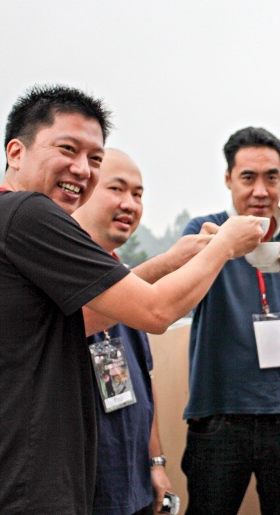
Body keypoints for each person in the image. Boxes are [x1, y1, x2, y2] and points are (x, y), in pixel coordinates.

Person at [0, 85, 263, 513]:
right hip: (11, 492)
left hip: (4, 486)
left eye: (95, 158)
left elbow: (85, 316)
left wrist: (171, 260)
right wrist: (227, 245)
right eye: (68, 149)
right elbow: (155, 311)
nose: (82, 169)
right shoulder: (26, 212)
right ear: (16, 152)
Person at [180, 127, 280, 515]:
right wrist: (223, 246)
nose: (261, 191)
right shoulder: (204, 233)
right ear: (228, 179)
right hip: (218, 417)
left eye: (271, 177)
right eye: (248, 177)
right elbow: (176, 300)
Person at [73, 148, 179, 514]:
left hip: (134, 487)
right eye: (116, 189)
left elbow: (143, 383)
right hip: (82, 490)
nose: (129, 204)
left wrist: (156, 463)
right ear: (83, 190)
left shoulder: (127, 280)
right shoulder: (58, 277)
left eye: (138, 194)